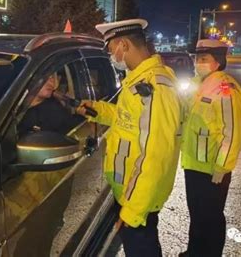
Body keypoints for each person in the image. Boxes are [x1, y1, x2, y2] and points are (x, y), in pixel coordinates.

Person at [77, 19, 182, 257]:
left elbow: (155, 154)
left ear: (123, 44)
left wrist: (133, 210)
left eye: (110, 48)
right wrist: (98, 109)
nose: (110, 55)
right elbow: (128, 118)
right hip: (129, 190)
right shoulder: (138, 79)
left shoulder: (155, 86)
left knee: (142, 250)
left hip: (139, 198)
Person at [179, 39, 241, 257]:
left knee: (211, 218)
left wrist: (223, 166)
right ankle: (194, 252)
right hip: (193, 163)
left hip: (212, 169)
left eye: (204, 59)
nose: (199, 62)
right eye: (197, 58)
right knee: (197, 215)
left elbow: (233, 129)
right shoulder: (197, 84)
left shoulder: (225, 88)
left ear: (217, 62)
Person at [18, 73, 83, 136]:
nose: (52, 82)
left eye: (52, 77)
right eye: (45, 77)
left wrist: (80, 116)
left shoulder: (55, 111)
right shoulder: (15, 101)